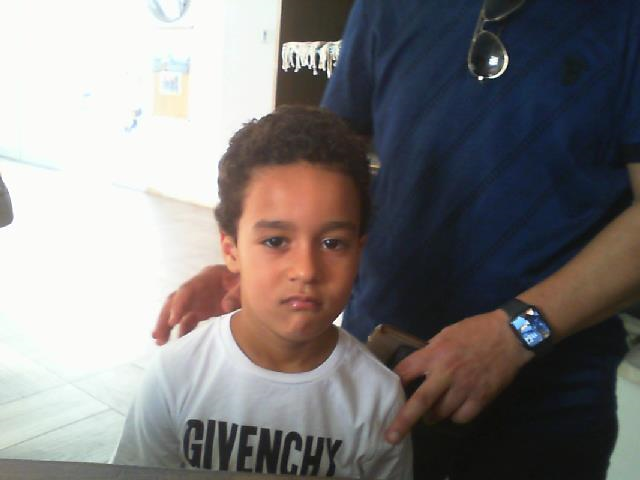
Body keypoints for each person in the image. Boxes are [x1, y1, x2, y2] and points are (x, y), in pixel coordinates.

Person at [152, 0, 640, 478]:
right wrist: (257, 263)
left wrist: (518, 331)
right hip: (385, 367)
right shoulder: (385, 8)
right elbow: (321, 164)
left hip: (546, 400)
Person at [113, 106, 413, 478]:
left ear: (359, 251)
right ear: (231, 250)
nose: (306, 270)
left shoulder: (377, 399)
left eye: (333, 243)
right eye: (275, 241)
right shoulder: (175, 375)